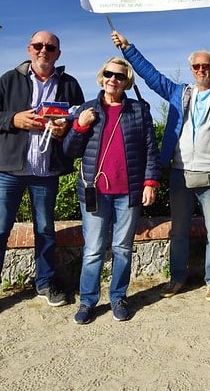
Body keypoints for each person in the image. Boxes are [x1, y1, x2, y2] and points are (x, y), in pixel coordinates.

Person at [0, 30, 85, 322]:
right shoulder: (10, 79)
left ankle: (45, 283)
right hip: (10, 171)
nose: (43, 50)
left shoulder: (69, 85)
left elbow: (80, 123)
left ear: (58, 53)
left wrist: (65, 130)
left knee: (45, 231)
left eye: (50, 47)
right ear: (29, 49)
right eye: (38, 45)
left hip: (46, 171)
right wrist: (14, 119)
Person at [112, 30, 210, 302]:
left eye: (206, 66)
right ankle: (177, 278)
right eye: (196, 66)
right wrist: (128, 49)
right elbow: (151, 76)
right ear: (191, 69)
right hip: (179, 172)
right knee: (178, 232)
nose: (201, 70)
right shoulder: (179, 93)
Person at [64, 57, 161, 325]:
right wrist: (80, 125)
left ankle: (118, 297)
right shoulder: (87, 109)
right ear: (102, 76)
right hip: (95, 192)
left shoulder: (139, 110)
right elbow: (70, 150)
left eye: (119, 76)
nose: (113, 79)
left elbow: (151, 150)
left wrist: (150, 183)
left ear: (127, 81)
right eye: (109, 74)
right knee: (93, 250)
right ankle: (87, 301)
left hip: (128, 192)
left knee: (122, 249)